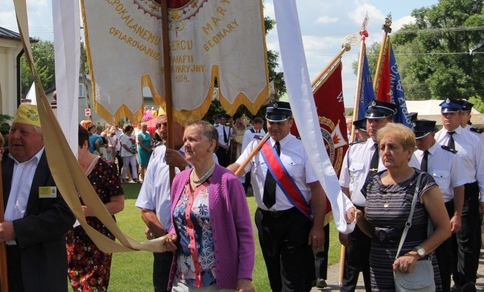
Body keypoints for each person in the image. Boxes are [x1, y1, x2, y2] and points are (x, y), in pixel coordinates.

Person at [0, 103, 75, 291]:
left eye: (24, 132)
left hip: (37, 265)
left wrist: (17, 230)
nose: (15, 136)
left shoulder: (57, 168)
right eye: (13, 130)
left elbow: (64, 215)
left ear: (42, 139)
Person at [229, 101, 326, 292]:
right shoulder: (256, 147)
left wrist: (317, 226)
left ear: (291, 122)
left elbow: (317, 189)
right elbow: (234, 171)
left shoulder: (303, 148)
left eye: (280, 123)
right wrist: (210, 175)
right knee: (274, 277)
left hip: (294, 220)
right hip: (265, 220)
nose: (274, 127)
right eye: (270, 122)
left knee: (292, 280)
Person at [353, 123, 451, 291]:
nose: (386, 152)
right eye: (382, 147)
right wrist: (359, 219)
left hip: (414, 268)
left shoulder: (423, 183)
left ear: (409, 152)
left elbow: (444, 229)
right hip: (379, 267)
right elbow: (376, 232)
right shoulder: (373, 183)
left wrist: (416, 254)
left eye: (392, 147)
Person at [163, 120, 255, 291]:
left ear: (211, 145)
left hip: (217, 282)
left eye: (192, 139)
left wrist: (244, 277)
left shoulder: (228, 182)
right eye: (184, 140)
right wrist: (172, 235)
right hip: (182, 280)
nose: (186, 145)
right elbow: (177, 222)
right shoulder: (179, 180)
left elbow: (245, 233)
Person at [338, 99, 396, 292]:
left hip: (384, 217)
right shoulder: (355, 150)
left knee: (379, 271)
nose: (372, 125)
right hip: (356, 214)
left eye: (378, 120)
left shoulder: (397, 153)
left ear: (390, 121)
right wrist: (344, 224)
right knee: (352, 265)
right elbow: (344, 188)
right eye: (370, 120)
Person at [434, 99, 484, 292]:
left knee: (466, 239)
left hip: (468, 191)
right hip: (444, 193)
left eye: (451, 114)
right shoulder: (436, 139)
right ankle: (447, 277)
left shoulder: (473, 139)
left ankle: (465, 281)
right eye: (444, 114)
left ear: (461, 116)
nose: (447, 118)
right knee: (446, 238)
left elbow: (482, 170)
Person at [410, 119, 469, 292]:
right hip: (418, 212)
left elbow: (458, 188)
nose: (418, 142)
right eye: (416, 138)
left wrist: (457, 215)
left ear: (433, 134)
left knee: (442, 257)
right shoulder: (411, 156)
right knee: (418, 254)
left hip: (443, 210)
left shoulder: (450, 156)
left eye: (422, 138)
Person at [67, 125, 124, 291]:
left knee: (93, 287)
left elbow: (118, 204)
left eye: (72, 148)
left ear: (85, 144)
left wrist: (88, 211)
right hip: (72, 239)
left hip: (99, 238)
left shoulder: (105, 167)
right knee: (77, 285)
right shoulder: (64, 170)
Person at [136, 118, 189, 292]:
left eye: (166, 124)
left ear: (183, 124)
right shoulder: (158, 154)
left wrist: (183, 166)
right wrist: (164, 237)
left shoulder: (202, 153)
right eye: (158, 126)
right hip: (164, 243)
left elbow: (210, 194)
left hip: (195, 245)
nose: (161, 129)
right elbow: (146, 207)